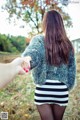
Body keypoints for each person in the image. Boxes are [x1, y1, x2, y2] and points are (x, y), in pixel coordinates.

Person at [22, 10, 76, 120]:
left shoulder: (39, 40)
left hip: (43, 89)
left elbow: (33, 52)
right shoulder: (67, 43)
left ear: (45, 23)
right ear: (60, 23)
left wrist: (27, 59)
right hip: (61, 90)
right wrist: (67, 86)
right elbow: (72, 68)